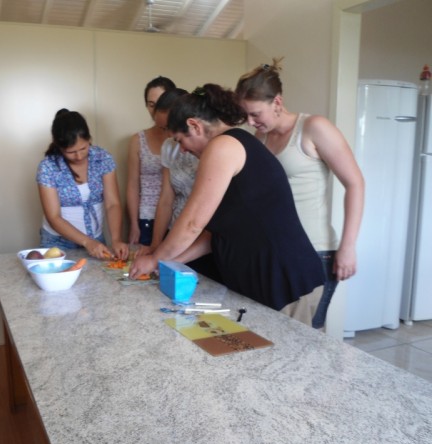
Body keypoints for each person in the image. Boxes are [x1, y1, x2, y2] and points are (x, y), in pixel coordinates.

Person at [130, 84, 325, 326]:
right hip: (265, 278)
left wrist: (155, 258)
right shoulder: (230, 145)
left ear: (195, 125)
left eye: (181, 140)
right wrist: (171, 261)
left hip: (283, 278)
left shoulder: (223, 146)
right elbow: (214, 234)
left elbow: (192, 223)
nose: (183, 149)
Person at [235, 58, 364, 329]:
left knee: (305, 339)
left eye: (255, 114)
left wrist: (348, 247)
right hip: (278, 252)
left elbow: (355, 184)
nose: (250, 121)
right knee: (276, 334)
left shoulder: (314, 127)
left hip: (314, 250)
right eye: (245, 115)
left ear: (277, 102)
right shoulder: (261, 138)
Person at [147, 88, 221, 282]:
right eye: (163, 129)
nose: (168, 135)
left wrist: (157, 259)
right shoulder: (170, 147)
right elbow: (166, 200)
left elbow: (198, 220)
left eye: (169, 127)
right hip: (176, 234)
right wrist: (156, 245)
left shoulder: (215, 148)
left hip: (204, 239)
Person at [37, 109, 128, 260]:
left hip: (96, 240)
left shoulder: (102, 158)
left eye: (83, 148)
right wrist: (87, 242)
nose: (79, 156)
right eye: (71, 152)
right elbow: (54, 217)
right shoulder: (48, 167)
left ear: (89, 139)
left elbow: (112, 204)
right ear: (59, 147)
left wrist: (116, 239)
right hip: (58, 243)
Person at [126, 76, 176, 246]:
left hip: (177, 215)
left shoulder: (185, 139)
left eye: (161, 103)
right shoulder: (137, 140)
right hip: (147, 215)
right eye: (151, 104)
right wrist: (134, 225)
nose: (155, 110)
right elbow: (133, 185)